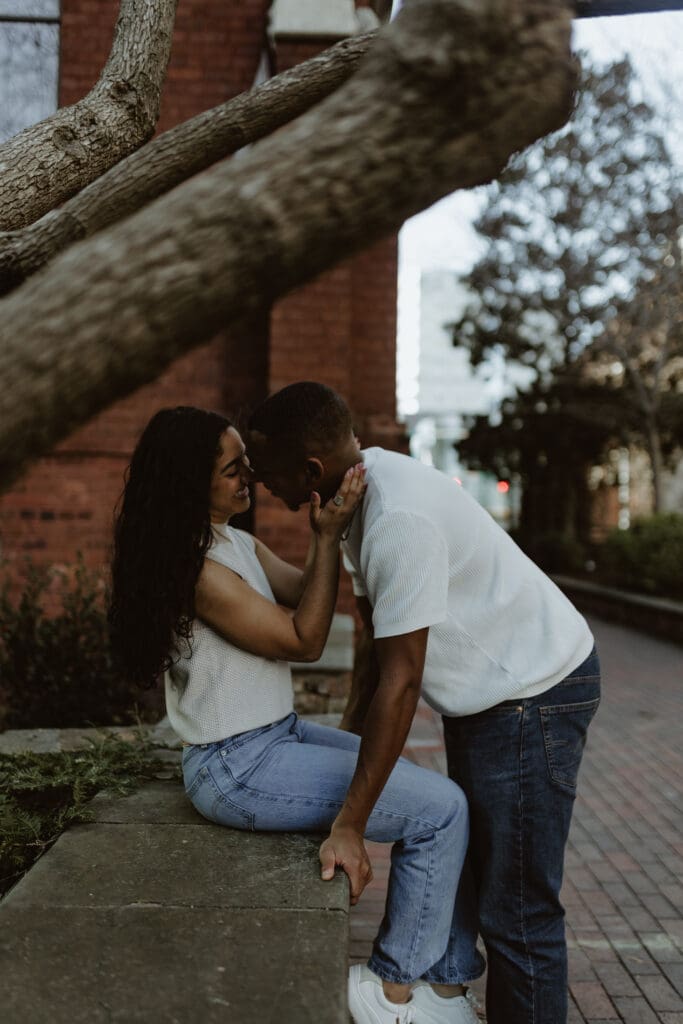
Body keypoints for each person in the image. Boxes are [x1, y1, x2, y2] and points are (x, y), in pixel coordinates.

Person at [108, 405, 482, 1024]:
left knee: (436, 795)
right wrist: (327, 536)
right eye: (232, 471)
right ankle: (390, 991)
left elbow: (308, 586)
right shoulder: (198, 572)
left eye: (246, 467)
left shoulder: (234, 543)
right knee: (441, 812)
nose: (248, 481)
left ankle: (444, 989)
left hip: (273, 739)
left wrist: (331, 536)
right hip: (237, 766)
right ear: (187, 480)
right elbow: (304, 639)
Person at [246, 381, 602, 1024]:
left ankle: (432, 994)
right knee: (482, 870)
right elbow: (377, 651)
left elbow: (402, 681)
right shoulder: (355, 494)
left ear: (310, 470)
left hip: (532, 695)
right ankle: (443, 996)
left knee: (519, 912)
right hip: (492, 699)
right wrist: (354, 752)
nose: (259, 484)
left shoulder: (395, 520)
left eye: (266, 470)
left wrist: (352, 822)